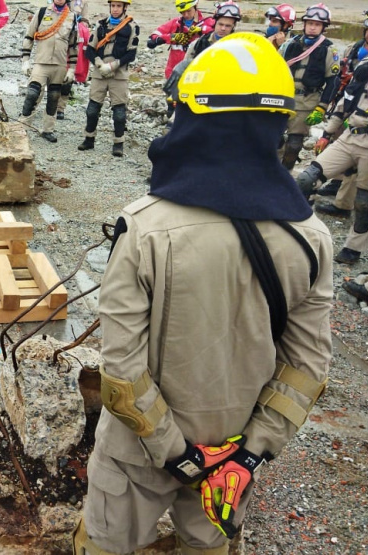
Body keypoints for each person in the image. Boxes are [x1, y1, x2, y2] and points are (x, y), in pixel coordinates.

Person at [72, 33, 332, 555]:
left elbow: (121, 371)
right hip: (234, 454)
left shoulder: (145, 228)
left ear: (195, 119)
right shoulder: (313, 238)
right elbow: (307, 369)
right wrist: (247, 455)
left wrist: (178, 454)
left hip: (138, 453)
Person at [296, 57, 368, 266]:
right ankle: (300, 228)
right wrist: (327, 134)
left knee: (364, 203)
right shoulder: (363, 69)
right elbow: (343, 106)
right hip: (348, 137)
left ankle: (352, 249)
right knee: (307, 179)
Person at [277, 3, 339, 170]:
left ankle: (286, 172)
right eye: (310, 23)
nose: (312, 27)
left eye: (317, 24)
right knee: (274, 137)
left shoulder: (328, 50)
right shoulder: (290, 44)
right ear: (304, 24)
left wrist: (322, 107)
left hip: (307, 101)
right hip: (283, 98)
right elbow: (275, 68)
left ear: (323, 27)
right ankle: (271, 169)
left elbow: (333, 81)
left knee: (294, 143)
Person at [77, 0, 139, 157]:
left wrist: (113, 66)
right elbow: (90, 50)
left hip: (119, 75)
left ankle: (118, 143)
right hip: (99, 74)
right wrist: (99, 64)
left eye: (119, 6)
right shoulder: (100, 25)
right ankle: (89, 139)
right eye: (113, 6)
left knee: (119, 112)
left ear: (125, 7)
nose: (115, 9)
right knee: (92, 109)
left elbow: (131, 54)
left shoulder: (132, 27)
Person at [161, 1, 240, 123]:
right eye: (220, 24)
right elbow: (185, 69)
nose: (223, 28)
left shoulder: (239, 47)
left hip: (224, 99)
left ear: (234, 26)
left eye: (228, 26)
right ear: (215, 22)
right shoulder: (199, 43)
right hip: (197, 96)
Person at [20, 0, 80, 143]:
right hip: (41, 62)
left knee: (54, 97)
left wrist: (71, 69)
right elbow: (29, 36)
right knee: (32, 94)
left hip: (59, 65)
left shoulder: (72, 17)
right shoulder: (41, 12)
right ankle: (22, 128)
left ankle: (48, 130)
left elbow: (73, 45)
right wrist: (25, 60)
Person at [147, 0, 212, 119]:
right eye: (183, 12)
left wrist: (201, 30)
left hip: (196, 74)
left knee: (194, 106)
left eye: (188, 11)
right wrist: (171, 37)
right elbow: (151, 41)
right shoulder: (174, 24)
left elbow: (220, 32)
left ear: (196, 6)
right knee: (173, 104)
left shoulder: (207, 22)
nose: (186, 15)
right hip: (174, 72)